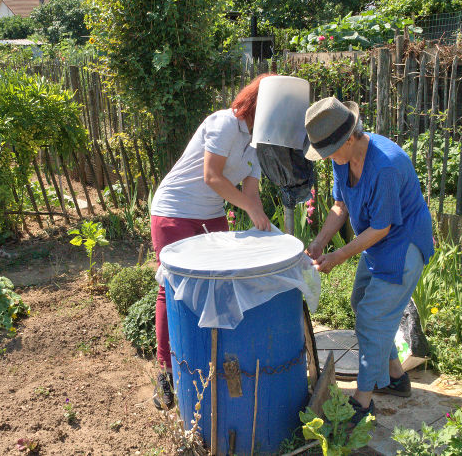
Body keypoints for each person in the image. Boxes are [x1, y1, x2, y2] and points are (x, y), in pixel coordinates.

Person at [302, 97, 434, 425]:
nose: (328, 159)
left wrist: (338, 255)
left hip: (402, 244)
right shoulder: (342, 158)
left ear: (348, 138)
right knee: (360, 300)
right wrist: (319, 242)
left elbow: (382, 227)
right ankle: (394, 376)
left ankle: (363, 401)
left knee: (372, 318)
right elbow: (340, 206)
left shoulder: (385, 165)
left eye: (330, 151)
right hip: (377, 242)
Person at [149, 74, 273, 409]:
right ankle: (166, 370)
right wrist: (248, 208)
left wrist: (266, 228)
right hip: (174, 211)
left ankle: (205, 359)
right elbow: (212, 176)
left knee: (215, 285)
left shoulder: (257, 145)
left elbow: (251, 194)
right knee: (172, 288)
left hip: (210, 214)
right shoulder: (225, 123)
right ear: (259, 104)